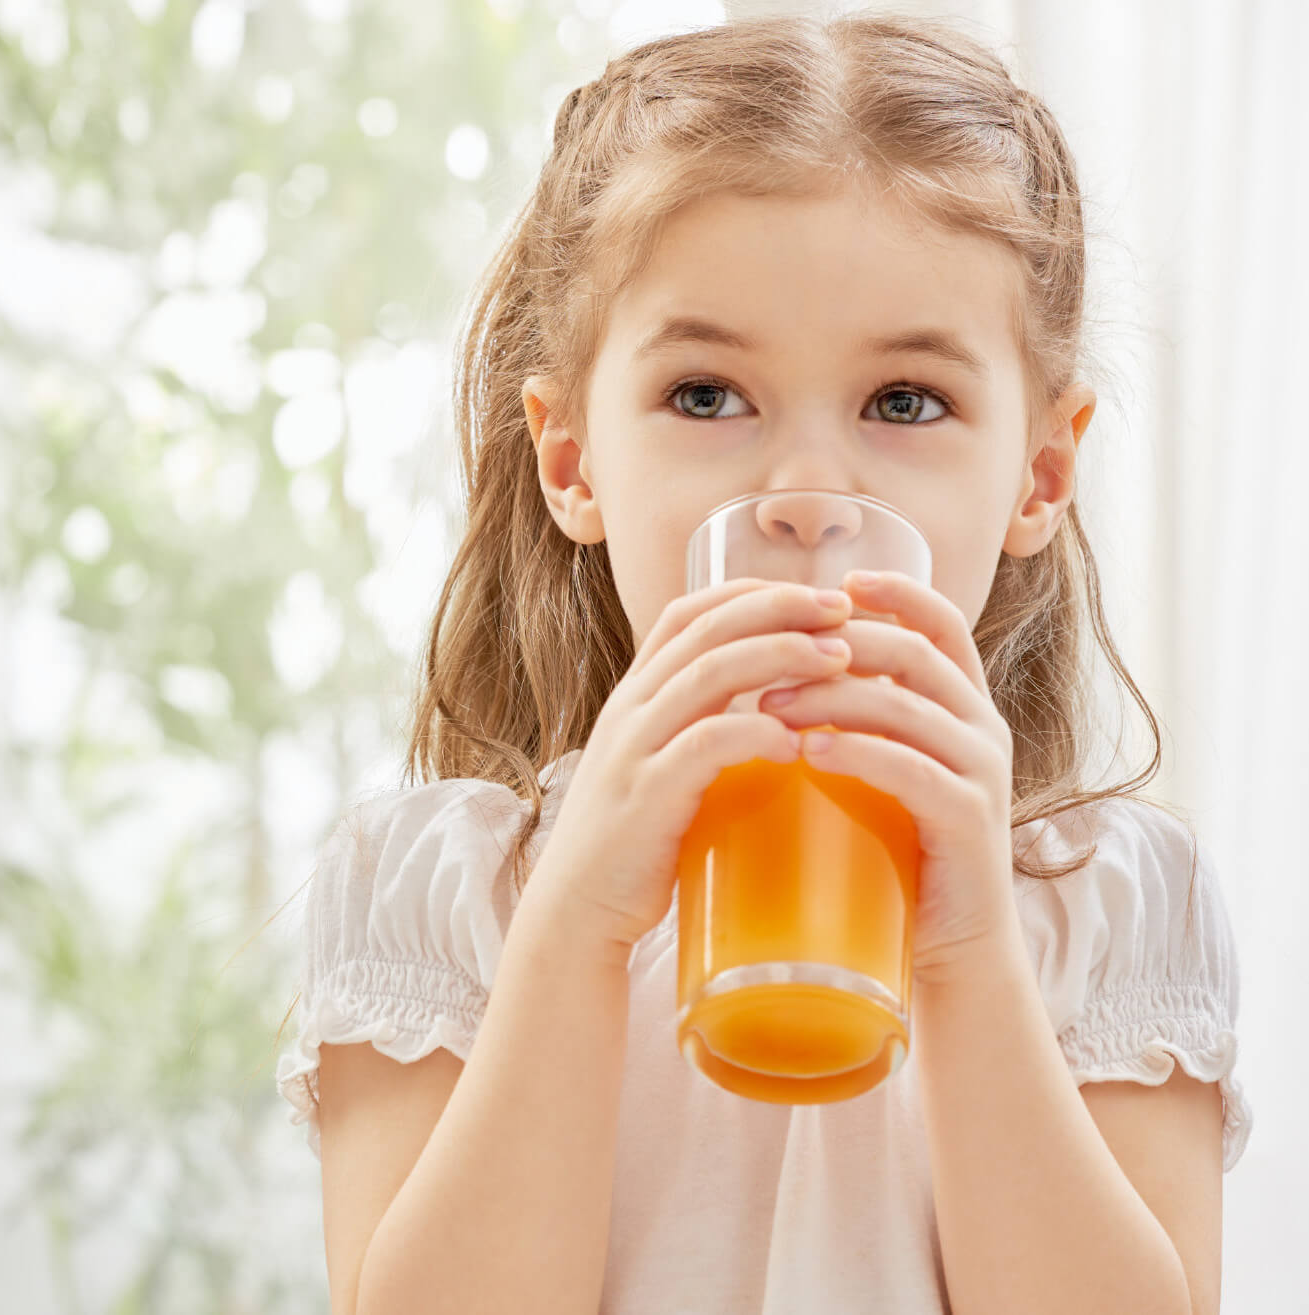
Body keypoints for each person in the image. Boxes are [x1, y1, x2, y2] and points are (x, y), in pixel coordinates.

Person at [273, 12, 1250, 1315]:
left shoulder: (1111, 908)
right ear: (570, 461)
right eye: (704, 396)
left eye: (903, 403)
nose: (803, 494)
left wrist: (967, 950)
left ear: (1039, 476)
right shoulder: (444, 896)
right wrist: (575, 924)